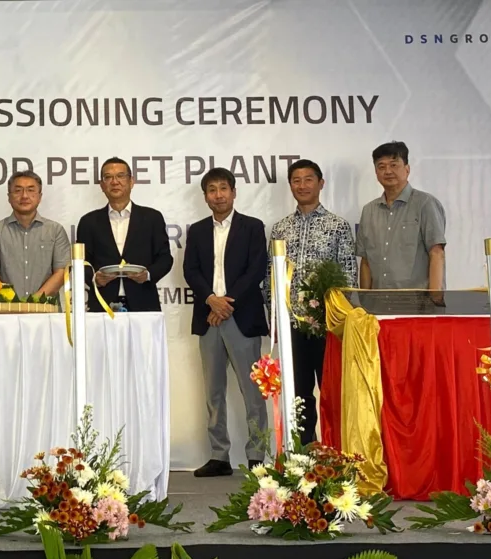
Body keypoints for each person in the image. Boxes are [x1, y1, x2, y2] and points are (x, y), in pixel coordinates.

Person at [183, 167, 268, 477]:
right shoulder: (198, 230)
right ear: (205, 196)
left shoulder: (253, 227)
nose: (218, 195)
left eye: (223, 189)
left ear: (234, 192)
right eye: (212, 190)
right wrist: (211, 300)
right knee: (213, 391)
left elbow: (256, 270)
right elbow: (191, 270)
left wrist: (225, 303)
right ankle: (219, 456)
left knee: (253, 392)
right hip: (208, 319)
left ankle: (257, 455)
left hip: (240, 317)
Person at [268, 159, 357, 445]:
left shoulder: (338, 226)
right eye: (296, 180)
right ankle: (303, 453)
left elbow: (348, 277)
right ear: (290, 185)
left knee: (332, 391)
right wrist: (276, 321)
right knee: (299, 394)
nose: (302, 185)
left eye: (308, 179)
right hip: (292, 324)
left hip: (327, 326)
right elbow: (270, 277)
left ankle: (336, 451)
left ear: (321, 183)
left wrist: (342, 322)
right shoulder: (280, 229)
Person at [75, 157, 172, 312]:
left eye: (120, 176)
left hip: (144, 302)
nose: (115, 182)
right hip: (102, 303)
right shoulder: (89, 221)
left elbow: (165, 258)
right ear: (102, 185)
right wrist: (94, 279)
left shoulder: (152, 218)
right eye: (108, 177)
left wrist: (147, 275)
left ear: (131, 181)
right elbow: (81, 263)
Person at [357, 141, 446, 292]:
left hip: (418, 304)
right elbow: (365, 262)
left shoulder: (425, 204)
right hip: (379, 304)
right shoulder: (369, 211)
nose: (388, 171)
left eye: (394, 165)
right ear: (376, 173)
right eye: (382, 167)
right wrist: (366, 301)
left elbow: (436, 252)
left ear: (407, 169)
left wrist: (435, 297)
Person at [0, 171, 71, 299]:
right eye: (18, 191)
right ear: (9, 197)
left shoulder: (55, 231)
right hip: (6, 312)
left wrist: (35, 301)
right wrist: (13, 303)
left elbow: (61, 273)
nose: (24, 196)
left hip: (46, 311)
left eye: (30, 190)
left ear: (40, 196)